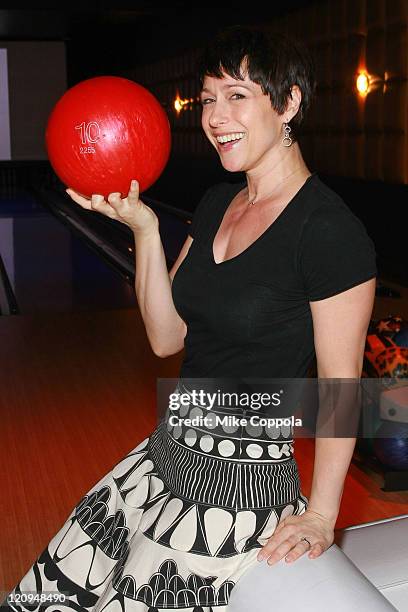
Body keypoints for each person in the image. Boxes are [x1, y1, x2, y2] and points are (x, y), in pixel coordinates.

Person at [3, 25, 377, 612]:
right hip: (164, 454)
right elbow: (165, 336)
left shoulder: (328, 233)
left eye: (236, 95)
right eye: (207, 99)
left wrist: (322, 515)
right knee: (50, 594)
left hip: (239, 489)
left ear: (290, 102)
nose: (214, 116)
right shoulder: (216, 203)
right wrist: (145, 229)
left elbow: (340, 388)